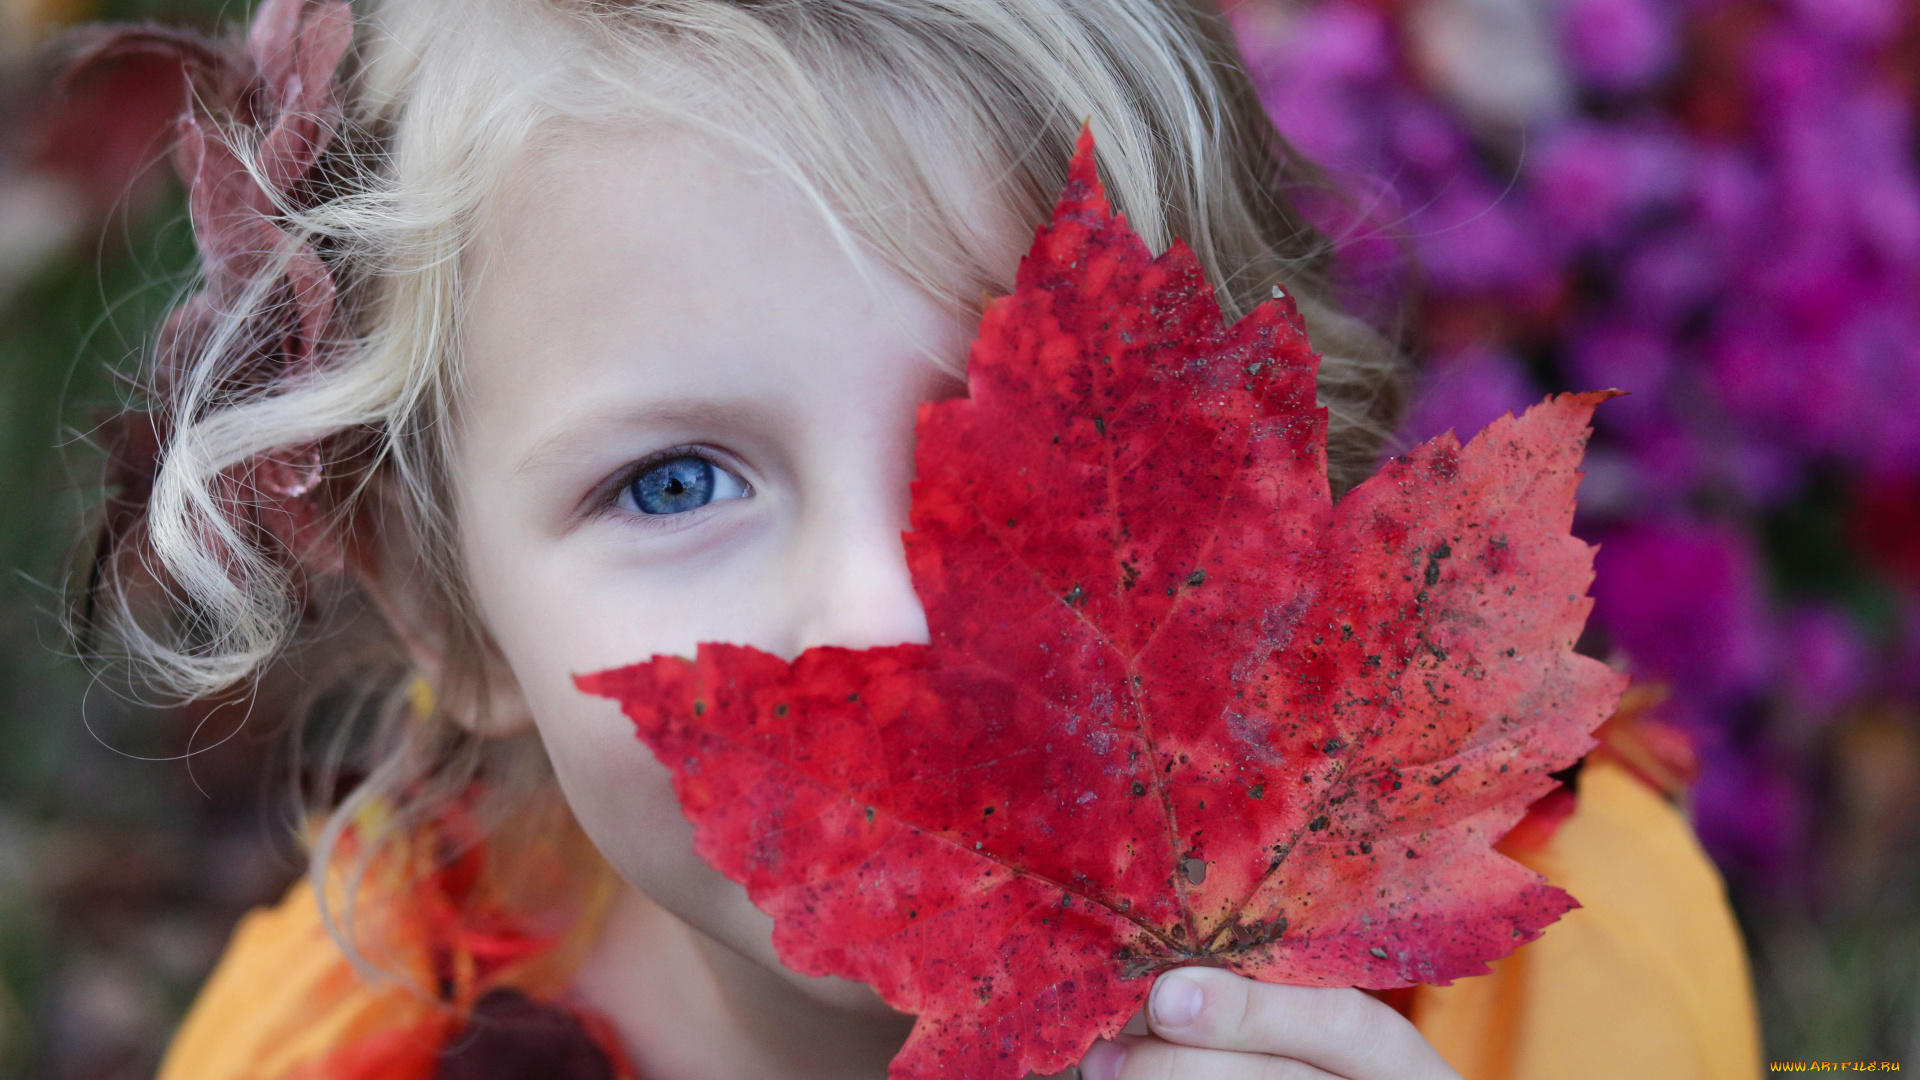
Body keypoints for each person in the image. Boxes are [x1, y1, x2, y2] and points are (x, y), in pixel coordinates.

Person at [69, 0, 1761, 1077]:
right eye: (673, 485)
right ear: (445, 611)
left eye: (1022, 434)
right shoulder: (333, 1052)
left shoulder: (1560, 974)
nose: (891, 611)